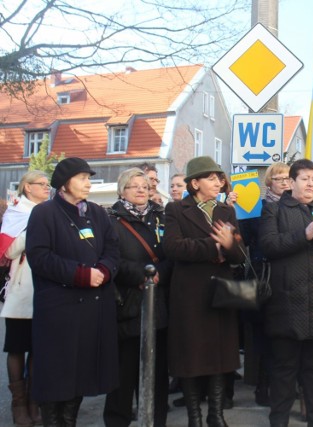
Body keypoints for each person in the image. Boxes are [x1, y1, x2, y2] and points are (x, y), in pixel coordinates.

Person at [25, 157, 120, 426]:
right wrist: (80, 274)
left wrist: (104, 269)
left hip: (92, 309)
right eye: (82, 178)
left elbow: (113, 249)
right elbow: (39, 256)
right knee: (56, 377)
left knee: (80, 377)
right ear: (64, 184)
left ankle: (69, 422)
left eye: (89, 178)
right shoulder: (44, 213)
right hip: (59, 311)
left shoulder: (97, 213)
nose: (88, 183)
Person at [259, 159, 313, 427]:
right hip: (287, 303)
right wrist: (305, 233)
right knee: (284, 370)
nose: (311, 184)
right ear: (292, 182)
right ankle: (279, 421)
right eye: (305, 178)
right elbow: (269, 245)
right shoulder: (274, 209)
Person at [163, 156, 245, 427]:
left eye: (220, 178)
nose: (218, 182)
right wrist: (216, 248)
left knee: (221, 356)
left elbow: (240, 253)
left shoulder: (227, 211)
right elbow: (173, 247)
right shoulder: (176, 209)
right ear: (194, 183)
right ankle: (194, 417)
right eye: (211, 178)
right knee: (191, 356)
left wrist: (230, 249)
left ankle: (216, 414)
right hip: (190, 295)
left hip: (222, 292)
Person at [103, 168, 171, 427]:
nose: (141, 190)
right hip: (129, 304)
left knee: (157, 373)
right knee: (124, 371)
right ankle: (117, 420)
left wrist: (159, 275)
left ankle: (156, 421)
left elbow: (171, 253)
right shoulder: (111, 220)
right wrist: (141, 276)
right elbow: (111, 258)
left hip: (160, 304)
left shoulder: (161, 218)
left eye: (145, 186)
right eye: (134, 186)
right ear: (122, 191)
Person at [235, 161, 291, 407]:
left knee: (286, 334)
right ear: (269, 182)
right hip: (262, 275)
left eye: (289, 178)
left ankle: (284, 385)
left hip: (289, 274)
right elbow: (243, 240)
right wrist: (234, 211)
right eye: (279, 179)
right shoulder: (254, 207)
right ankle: (262, 385)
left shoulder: (297, 205)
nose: (285, 182)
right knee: (262, 334)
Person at [1, 171, 50, 426]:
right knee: (18, 346)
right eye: (41, 184)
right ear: (27, 188)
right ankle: (19, 403)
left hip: (46, 288)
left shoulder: (50, 211)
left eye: (48, 184)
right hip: (22, 288)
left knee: (39, 348)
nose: (47, 188)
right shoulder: (17, 213)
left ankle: (34, 400)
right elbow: (8, 249)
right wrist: (33, 228)